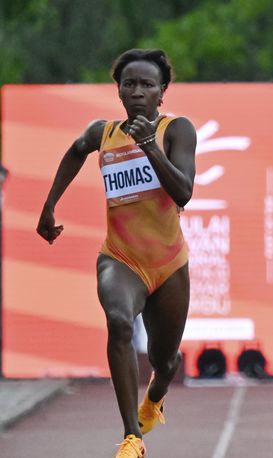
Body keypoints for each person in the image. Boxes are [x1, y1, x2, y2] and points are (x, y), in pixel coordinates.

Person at [37, 49, 196, 458]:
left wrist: (150, 146)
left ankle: (154, 398)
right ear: (119, 90)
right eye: (130, 84)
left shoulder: (177, 130)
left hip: (168, 262)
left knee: (166, 362)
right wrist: (50, 204)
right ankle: (132, 437)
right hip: (120, 258)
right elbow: (75, 151)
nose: (137, 91)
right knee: (120, 323)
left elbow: (184, 192)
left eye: (147, 85)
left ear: (162, 92)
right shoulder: (102, 133)